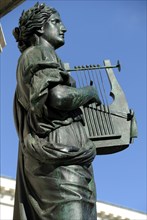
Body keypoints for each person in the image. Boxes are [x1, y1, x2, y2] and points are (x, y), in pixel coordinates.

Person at [13, 3, 101, 220]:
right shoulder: (38, 52)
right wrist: (89, 92)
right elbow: (58, 97)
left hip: (66, 158)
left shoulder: (39, 56)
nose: (64, 28)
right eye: (56, 21)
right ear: (40, 28)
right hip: (60, 158)